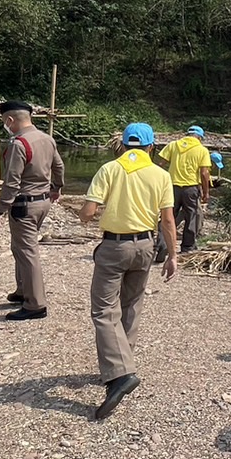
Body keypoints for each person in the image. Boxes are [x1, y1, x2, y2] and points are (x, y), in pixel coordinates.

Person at [78, 123, 177, 420]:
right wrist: (173, 256)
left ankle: (120, 374)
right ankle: (123, 364)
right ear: (151, 147)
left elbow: (88, 213)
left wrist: (87, 213)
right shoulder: (161, 175)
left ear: (122, 145)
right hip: (145, 246)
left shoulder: (109, 169)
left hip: (114, 246)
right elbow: (168, 221)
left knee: (103, 310)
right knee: (131, 304)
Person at [0, 100, 64, 321]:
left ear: (10, 119)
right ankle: (23, 290)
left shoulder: (18, 144)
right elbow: (59, 166)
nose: (5, 125)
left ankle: (35, 304)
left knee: (27, 252)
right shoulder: (47, 139)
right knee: (20, 247)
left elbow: (11, 182)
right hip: (43, 202)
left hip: (24, 205)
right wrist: (56, 187)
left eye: (4, 122)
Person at [160, 124, 212, 253]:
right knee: (191, 218)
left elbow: (160, 165)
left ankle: (162, 246)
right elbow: (204, 173)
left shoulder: (173, 145)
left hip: (172, 187)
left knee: (168, 216)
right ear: (199, 138)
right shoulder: (202, 150)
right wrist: (206, 192)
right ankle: (187, 247)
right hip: (190, 189)